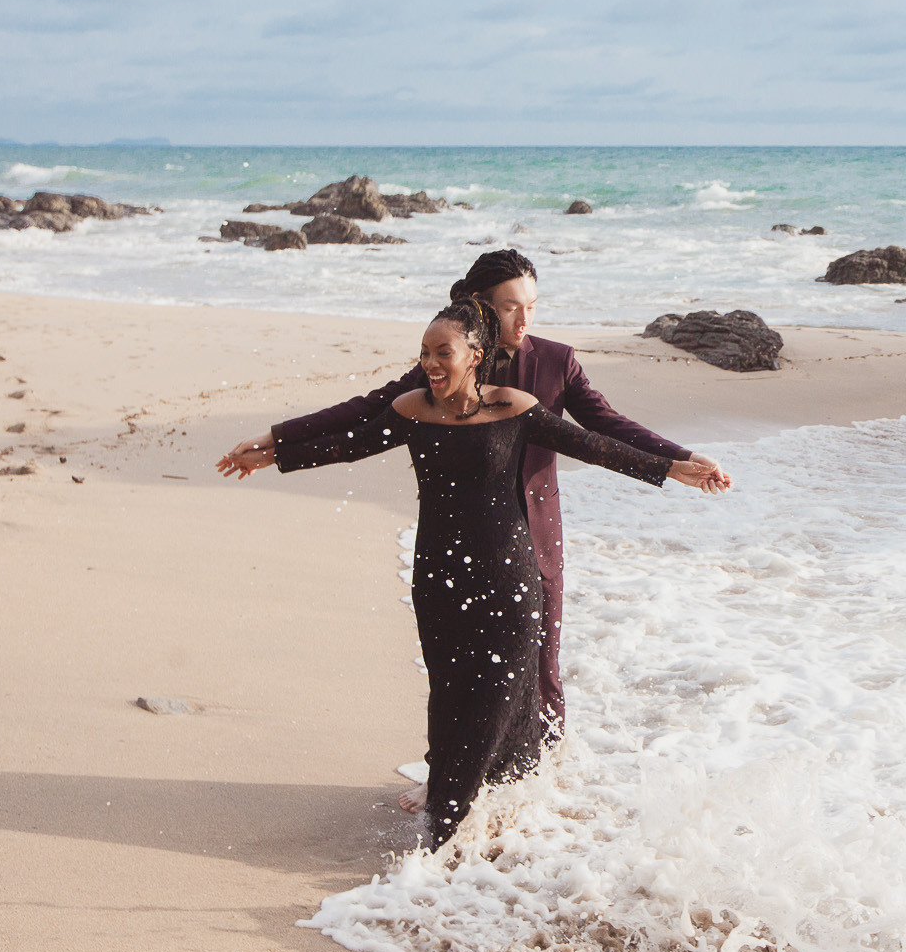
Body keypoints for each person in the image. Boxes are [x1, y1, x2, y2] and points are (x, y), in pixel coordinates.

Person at [219, 251, 726, 783]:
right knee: (456, 673)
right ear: (481, 308)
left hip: (533, 538)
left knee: (541, 674)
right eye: (511, 307)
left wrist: (679, 460)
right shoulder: (445, 362)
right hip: (455, 540)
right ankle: (451, 778)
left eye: (531, 305)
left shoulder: (554, 362)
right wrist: (280, 439)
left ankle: (534, 788)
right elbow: (365, 417)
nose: (524, 320)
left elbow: (602, 431)